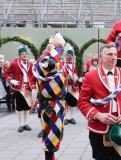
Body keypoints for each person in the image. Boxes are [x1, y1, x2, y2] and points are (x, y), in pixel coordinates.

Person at [78, 44, 121, 160]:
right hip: (99, 129)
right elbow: (82, 101)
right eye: (110, 54)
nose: (114, 57)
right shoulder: (90, 76)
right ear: (101, 57)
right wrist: (97, 115)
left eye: (115, 54)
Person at [32, 31, 67, 160]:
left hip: (58, 104)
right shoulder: (45, 59)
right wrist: (53, 50)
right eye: (60, 47)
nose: (62, 50)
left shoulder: (56, 58)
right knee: (50, 137)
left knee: (56, 135)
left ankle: (52, 158)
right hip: (50, 105)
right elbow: (50, 65)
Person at [4, 45, 36, 132]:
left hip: (28, 88)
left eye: (25, 54)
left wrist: (33, 85)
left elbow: (34, 75)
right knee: (19, 107)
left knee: (27, 106)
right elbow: (6, 73)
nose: (24, 55)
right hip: (19, 88)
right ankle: (21, 124)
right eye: (22, 54)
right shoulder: (14, 64)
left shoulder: (31, 64)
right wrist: (11, 80)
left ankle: (25, 123)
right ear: (19, 55)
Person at [64, 48, 79, 125]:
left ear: (72, 56)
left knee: (73, 102)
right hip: (66, 86)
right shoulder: (62, 64)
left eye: (70, 55)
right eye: (67, 55)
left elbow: (79, 73)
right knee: (66, 102)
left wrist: (76, 77)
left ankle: (71, 116)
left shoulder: (76, 64)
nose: (69, 56)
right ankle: (67, 117)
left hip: (74, 86)